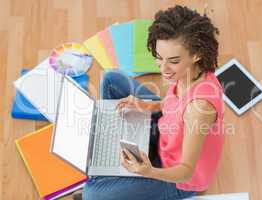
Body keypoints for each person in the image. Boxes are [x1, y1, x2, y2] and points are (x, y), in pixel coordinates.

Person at [77, 5, 224, 200]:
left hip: (175, 178)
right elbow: (174, 103)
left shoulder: (199, 109)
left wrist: (148, 172)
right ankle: (112, 151)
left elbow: (186, 170)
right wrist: (148, 106)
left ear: (196, 54)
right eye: (158, 57)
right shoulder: (190, 72)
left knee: (91, 195)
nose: (163, 69)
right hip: (165, 134)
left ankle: (112, 159)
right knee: (111, 79)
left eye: (173, 60)